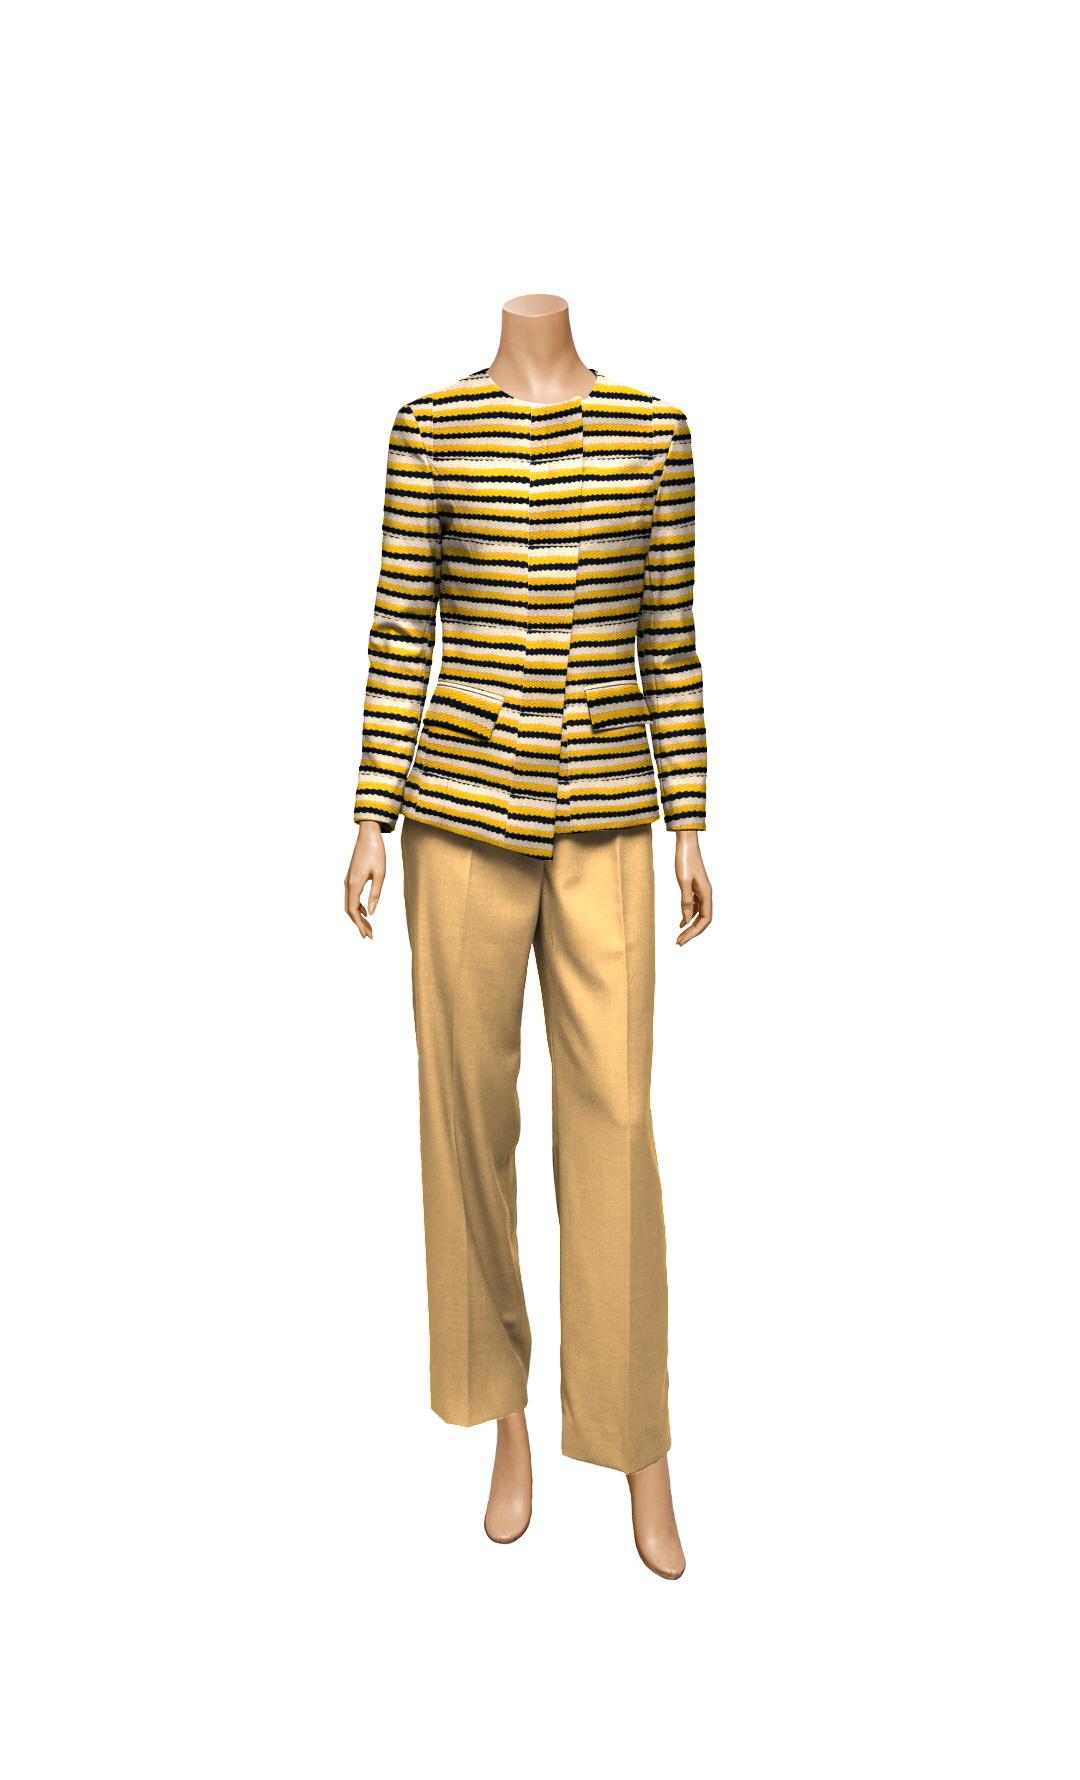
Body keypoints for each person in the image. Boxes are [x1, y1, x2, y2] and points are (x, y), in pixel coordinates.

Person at [344, 294, 712, 1579]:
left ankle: (635, 1440)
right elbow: (402, 625)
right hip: (455, 814)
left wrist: (689, 819)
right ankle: (500, 1415)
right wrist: (371, 814)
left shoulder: (654, 430)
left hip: (606, 812)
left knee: (616, 1119)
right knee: (465, 1114)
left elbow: (668, 633)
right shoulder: (429, 429)